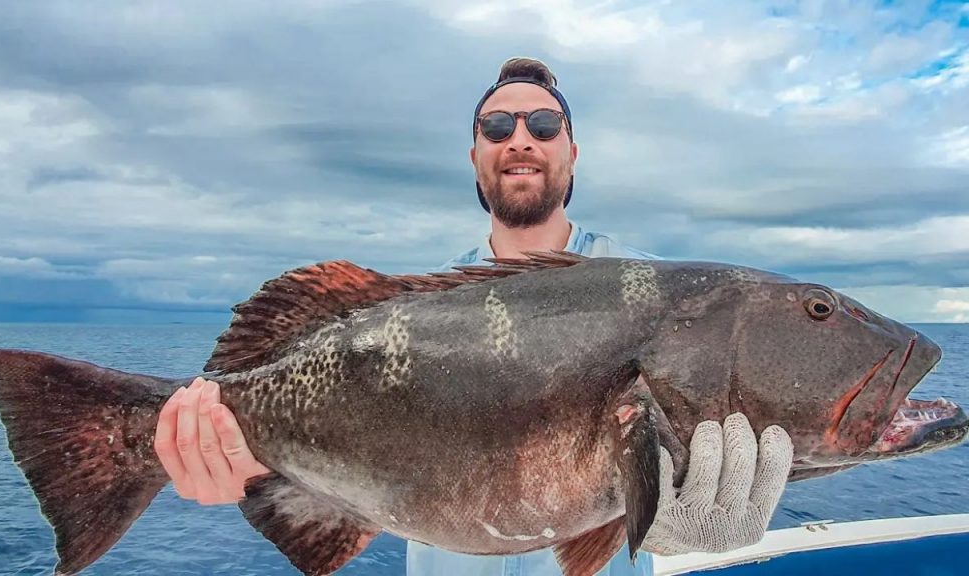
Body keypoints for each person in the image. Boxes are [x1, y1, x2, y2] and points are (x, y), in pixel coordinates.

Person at [153, 56, 795, 576]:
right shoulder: (408, 310)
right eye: (497, 127)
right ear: (475, 157)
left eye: (544, 126)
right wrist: (241, 466)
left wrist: (684, 525)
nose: (521, 139)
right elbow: (323, 485)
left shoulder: (670, 297)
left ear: (572, 153)